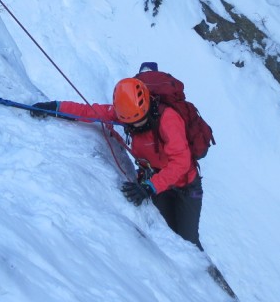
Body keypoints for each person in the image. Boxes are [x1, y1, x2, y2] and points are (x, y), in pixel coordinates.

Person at [32, 64, 204, 248]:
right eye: (130, 123)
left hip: (185, 186)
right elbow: (90, 112)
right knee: (168, 237)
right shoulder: (125, 113)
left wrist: (150, 187)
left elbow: (181, 162)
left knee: (188, 242)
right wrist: (55, 107)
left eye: (139, 122)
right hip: (156, 183)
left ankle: (204, 274)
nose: (135, 127)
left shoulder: (168, 119)